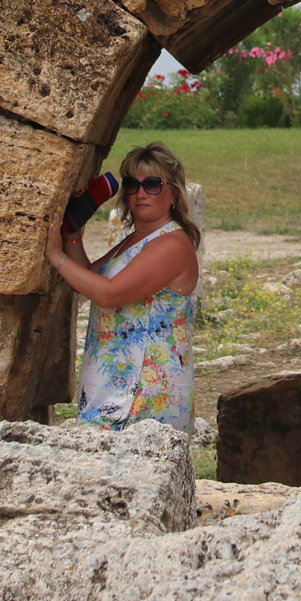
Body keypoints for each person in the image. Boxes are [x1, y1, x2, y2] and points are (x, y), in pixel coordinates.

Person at [46, 141, 201, 431]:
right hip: (117, 383)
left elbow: (108, 294)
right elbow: (91, 278)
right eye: (132, 184)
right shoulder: (137, 239)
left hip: (143, 393)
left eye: (152, 184)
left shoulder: (171, 244)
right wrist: (72, 234)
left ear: (173, 194)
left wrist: (56, 257)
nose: (140, 193)